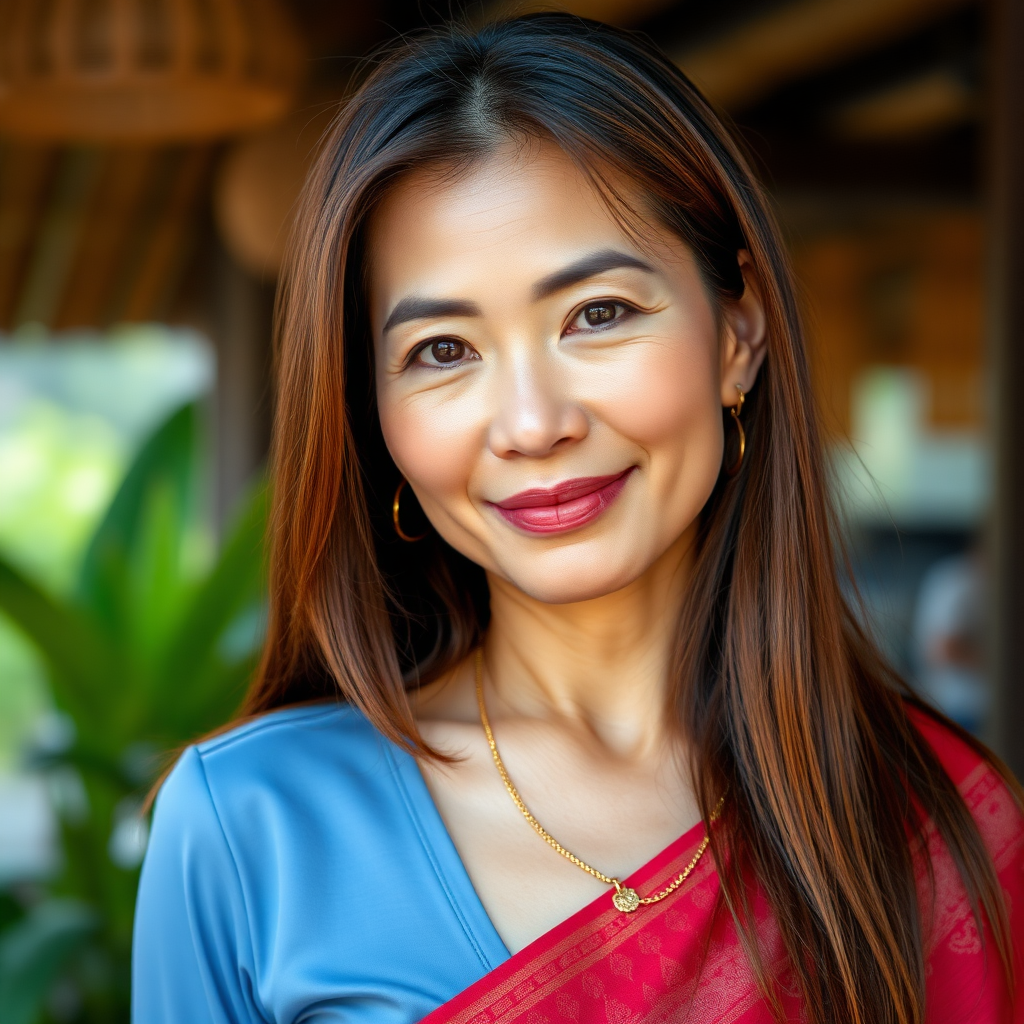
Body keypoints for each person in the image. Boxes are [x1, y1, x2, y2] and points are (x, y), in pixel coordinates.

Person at [132, 16, 1024, 1024]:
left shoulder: (931, 824)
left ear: (739, 331)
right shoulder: (255, 826)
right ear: (372, 411)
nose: (531, 423)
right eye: (440, 350)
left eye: (596, 314)